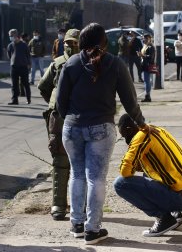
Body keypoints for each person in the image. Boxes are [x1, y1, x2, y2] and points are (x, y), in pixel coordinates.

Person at [56, 22, 147, 245]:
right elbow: (129, 101)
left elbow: (60, 102)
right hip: (101, 128)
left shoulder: (71, 63)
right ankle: (92, 230)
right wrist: (142, 124)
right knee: (95, 178)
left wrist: (72, 118)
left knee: (76, 175)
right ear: (104, 43)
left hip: (72, 127)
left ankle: (76, 224)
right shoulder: (115, 64)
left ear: (82, 42)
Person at [113, 113, 182, 237]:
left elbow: (125, 171)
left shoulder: (140, 137)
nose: (126, 141)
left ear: (129, 129)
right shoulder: (157, 129)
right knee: (147, 172)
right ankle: (175, 214)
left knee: (120, 184)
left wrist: (132, 154)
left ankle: (164, 218)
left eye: (124, 136)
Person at [38, 28, 80, 221]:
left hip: (67, 116)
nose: (71, 47)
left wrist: (53, 102)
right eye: (68, 43)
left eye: (73, 43)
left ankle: (66, 206)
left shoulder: (60, 63)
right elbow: (44, 87)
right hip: (70, 116)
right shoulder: (83, 63)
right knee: (70, 162)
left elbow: (43, 87)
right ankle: (66, 205)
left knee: (68, 162)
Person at [6, 29, 31, 105]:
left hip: (23, 67)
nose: (10, 37)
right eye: (9, 36)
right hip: (14, 67)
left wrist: (29, 64)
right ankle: (14, 100)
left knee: (25, 83)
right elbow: (9, 55)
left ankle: (28, 99)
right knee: (14, 84)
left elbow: (28, 55)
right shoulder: (10, 45)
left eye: (11, 35)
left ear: (16, 35)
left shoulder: (24, 45)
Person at [138, 34, 155, 102]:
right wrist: (140, 55)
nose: (143, 40)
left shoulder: (151, 47)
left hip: (147, 65)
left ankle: (147, 96)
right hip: (144, 65)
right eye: (143, 38)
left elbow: (151, 57)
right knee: (145, 81)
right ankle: (147, 95)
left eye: (145, 38)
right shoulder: (145, 46)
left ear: (148, 39)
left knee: (147, 81)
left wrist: (143, 55)